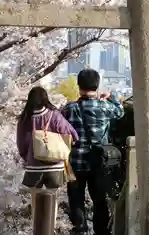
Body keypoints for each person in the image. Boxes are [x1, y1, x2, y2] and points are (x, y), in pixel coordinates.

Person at [62, 69, 124, 235]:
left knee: (76, 200)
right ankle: (101, 231)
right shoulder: (105, 107)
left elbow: (60, 125)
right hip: (99, 162)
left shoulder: (70, 108)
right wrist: (110, 96)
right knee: (99, 200)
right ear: (96, 86)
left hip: (76, 162)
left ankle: (80, 229)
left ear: (79, 86)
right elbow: (120, 111)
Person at [16, 86, 79, 226]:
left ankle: (37, 229)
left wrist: (29, 157)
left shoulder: (25, 118)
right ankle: (50, 228)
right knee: (52, 201)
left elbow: (21, 144)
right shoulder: (54, 115)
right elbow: (73, 134)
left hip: (34, 167)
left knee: (35, 202)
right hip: (54, 167)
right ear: (45, 98)